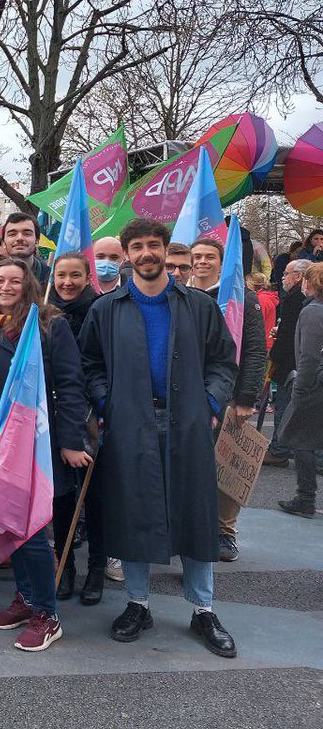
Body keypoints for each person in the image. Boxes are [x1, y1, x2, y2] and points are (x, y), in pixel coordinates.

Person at [79, 218, 238, 658]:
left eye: (154, 245)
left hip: (186, 422)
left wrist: (208, 402)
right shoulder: (107, 308)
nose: (146, 253)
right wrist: (108, 403)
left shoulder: (198, 306)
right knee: (133, 510)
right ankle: (137, 603)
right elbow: (89, 364)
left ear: (166, 250)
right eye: (138, 247)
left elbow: (224, 361)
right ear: (127, 255)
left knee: (196, 511)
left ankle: (203, 608)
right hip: (130, 423)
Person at [0, 258, 89, 652]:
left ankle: (46, 614)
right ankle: (26, 597)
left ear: (27, 284)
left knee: (29, 529)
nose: (6, 287)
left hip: (36, 445)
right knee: (3, 521)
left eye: (15, 281)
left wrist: (71, 441)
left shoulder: (50, 325)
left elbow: (70, 385)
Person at [188, 237, 265, 563]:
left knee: (226, 470)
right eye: (197, 256)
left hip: (230, 398)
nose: (202, 262)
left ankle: (224, 532)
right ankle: (188, 529)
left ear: (222, 263)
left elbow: (255, 350)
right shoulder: (181, 294)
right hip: (189, 396)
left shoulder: (242, 298)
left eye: (209, 257)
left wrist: (246, 398)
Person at [48, 252, 107, 604]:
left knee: (96, 495)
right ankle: (65, 566)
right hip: (57, 414)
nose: (67, 283)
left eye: (74, 276)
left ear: (88, 277)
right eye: (60, 276)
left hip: (94, 412)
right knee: (62, 498)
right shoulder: (41, 312)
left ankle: (96, 569)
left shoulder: (101, 310)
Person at [277, 262, 323, 519]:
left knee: (301, 440)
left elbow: (308, 356)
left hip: (313, 386)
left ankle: (305, 498)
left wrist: (300, 389)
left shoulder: (312, 312)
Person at [268, 259, 310, 466]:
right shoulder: (301, 298)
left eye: (286, 273)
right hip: (298, 360)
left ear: (299, 276)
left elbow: (289, 333)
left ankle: (279, 448)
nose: (282, 278)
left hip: (291, 362)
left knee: (284, 406)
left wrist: (274, 355)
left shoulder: (295, 298)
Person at [2, 213, 50, 284]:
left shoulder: (52, 279)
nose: (19, 238)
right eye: (12, 234)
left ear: (37, 241)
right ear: (3, 243)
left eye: (27, 234)